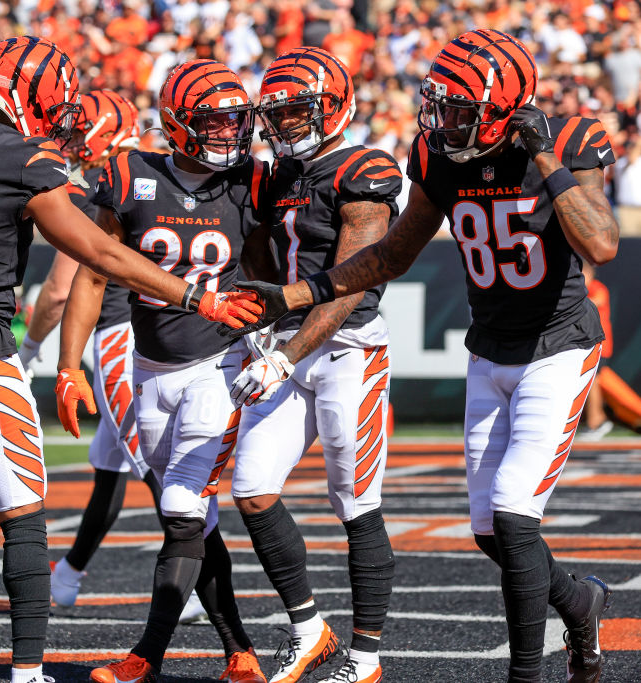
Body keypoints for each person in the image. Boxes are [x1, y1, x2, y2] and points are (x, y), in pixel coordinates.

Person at [0, 37, 262, 683]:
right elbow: (101, 255)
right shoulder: (25, 159)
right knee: (24, 517)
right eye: (54, 101)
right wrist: (195, 294)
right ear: (27, 95)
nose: (60, 115)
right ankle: (29, 669)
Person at [237, 30, 619, 683]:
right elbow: (389, 256)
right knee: (489, 531)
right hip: (487, 348)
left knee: (512, 510)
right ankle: (580, 601)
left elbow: (602, 243)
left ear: (504, 105)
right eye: (439, 107)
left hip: (556, 348)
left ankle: (525, 675)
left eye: (459, 110)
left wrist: (545, 154)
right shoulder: (441, 158)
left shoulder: (569, 141)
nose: (443, 122)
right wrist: (297, 294)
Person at [57, 60, 274, 683]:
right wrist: (70, 366)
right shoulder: (130, 174)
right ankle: (239, 650)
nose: (230, 134)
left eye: (237, 121)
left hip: (218, 363)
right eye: (214, 122)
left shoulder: (250, 183)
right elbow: (93, 275)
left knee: (181, 511)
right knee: (193, 522)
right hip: (147, 369)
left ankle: (144, 656)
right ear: (177, 124)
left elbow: (269, 267)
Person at [227, 46, 401, 683]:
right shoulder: (277, 175)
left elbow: (352, 281)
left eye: (300, 110)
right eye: (279, 113)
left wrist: (288, 351)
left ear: (334, 104)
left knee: (355, 500)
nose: (289, 124)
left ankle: (368, 657)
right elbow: (267, 265)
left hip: (348, 347)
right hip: (291, 346)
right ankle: (310, 631)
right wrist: (264, 324)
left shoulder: (365, 168)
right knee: (251, 487)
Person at [19, 89, 204, 622]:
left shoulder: (102, 187)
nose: (72, 142)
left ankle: (189, 584)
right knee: (111, 468)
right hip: (168, 329)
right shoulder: (163, 170)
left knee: (158, 471)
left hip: (123, 338)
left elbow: (59, 290)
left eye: (81, 133)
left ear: (102, 135)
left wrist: (31, 349)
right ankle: (70, 574)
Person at [580, 262, 614, 440]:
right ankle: (594, 420)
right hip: (587, 344)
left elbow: (591, 302)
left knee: (593, 383)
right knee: (589, 383)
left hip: (599, 345)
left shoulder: (598, 289)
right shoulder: (584, 290)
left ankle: (597, 422)